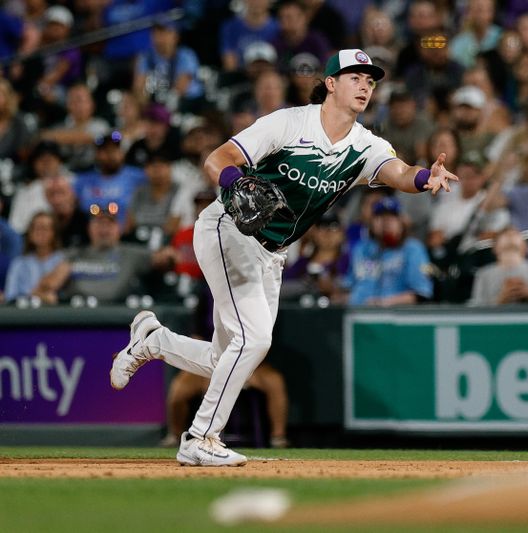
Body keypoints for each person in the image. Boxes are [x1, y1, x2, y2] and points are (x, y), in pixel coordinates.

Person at [109, 49, 458, 466]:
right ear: (330, 83)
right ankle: (200, 437)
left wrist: (425, 177)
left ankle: (153, 341)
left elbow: (397, 172)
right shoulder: (290, 122)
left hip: (272, 254)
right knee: (254, 339)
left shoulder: (364, 145)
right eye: (355, 77)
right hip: (228, 230)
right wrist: (238, 184)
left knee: (230, 357)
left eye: (370, 80)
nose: (365, 85)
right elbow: (217, 158)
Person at [345, 196, 434, 306]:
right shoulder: (361, 249)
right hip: (355, 315)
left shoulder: (413, 249)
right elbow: (348, 286)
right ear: (371, 223)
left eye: (392, 217)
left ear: (402, 222)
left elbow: (421, 293)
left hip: (395, 316)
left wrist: (384, 303)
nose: (385, 222)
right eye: (380, 217)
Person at [469, 227, 528, 305]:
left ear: (526, 248)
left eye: (515, 234)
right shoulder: (483, 274)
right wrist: (500, 300)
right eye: (505, 234)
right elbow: (477, 310)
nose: (510, 236)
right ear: (495, 248)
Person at [4, 212, 64, 303]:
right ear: (30, 233)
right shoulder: (19, 263)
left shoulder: (62, 260)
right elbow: (10, 296)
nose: (40, 232)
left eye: (45, 228)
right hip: (22, 314)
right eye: (36, 228)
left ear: (54, 233)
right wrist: (39, 295)